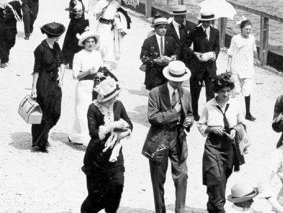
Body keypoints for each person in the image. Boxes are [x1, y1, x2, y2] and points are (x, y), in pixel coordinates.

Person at [143, 60, 193, 213]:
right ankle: (160, 210)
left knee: (182, 175)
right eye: (176, 80)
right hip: (159, 138)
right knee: (158, 178)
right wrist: (174, 112)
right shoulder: (155, 93)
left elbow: (189, 113)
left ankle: (180, 210)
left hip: (178, 138)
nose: (179, 83)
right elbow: (153, 117)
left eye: (181, 80)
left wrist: (188, 121)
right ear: (169, 78)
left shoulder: (186, 93)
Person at [81, 77, 133, 213]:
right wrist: (112, 126)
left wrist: (123, 133)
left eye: (116, 96)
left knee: (117, 188)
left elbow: (129, 124)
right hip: (96, 158)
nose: (115, 100)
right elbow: (93, 133)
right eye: (112, 98)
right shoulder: (93, 108)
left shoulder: (119, 105)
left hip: (115, 156)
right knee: (96, 197)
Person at [198, 73, 246, 213]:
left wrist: (235, 130)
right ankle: (219, 208)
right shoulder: (209, 106)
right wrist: (211, 129)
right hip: (213, 146)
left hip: (230, 147)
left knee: (222, 179)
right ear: (216, 92)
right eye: (222, 91)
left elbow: (242, 123)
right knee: (216, 177)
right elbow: (200, 125)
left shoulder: (235, 104)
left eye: (228, 91)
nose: (225, 94)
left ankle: (212, 205)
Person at [30, 22, 65, 152]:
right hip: (44, 82)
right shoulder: (40, 49)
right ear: (55, 35)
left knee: (55, 111)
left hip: (54, 81)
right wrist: (33, 88)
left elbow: (61, 61)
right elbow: (36, 70)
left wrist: (61, 76)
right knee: (44, 112)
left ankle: (43, 135)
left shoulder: (56, 45)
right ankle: (40, 142)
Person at [182, 11, 220, 115]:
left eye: (208, 22)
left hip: (210, 67)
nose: (206, 24)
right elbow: (185, 46)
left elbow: (217, 46)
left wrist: (215, 55)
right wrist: (195, 53)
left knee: (210, 92)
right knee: (195, 92)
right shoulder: (195, 31)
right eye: (204, 21)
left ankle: (209, 114)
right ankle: (194, 113)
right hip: (197, 66)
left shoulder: (215, 32)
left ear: (211, 21)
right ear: (201, 21)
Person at [69, 30, 103, 145]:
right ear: (83, 43)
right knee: (83, 112)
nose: (90, 44)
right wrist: (88, 71)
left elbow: (101, 69)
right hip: (83, 86)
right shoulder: (78, 55)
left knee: (95, 111)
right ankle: (86, 139)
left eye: (92, 41)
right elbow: (75, 75)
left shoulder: (97, 54)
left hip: (96, 86)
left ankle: (75, 134)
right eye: (87, 42)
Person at [227, 19, 259, 121]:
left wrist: (257, 59)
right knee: (235, 91)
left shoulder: (252, 38)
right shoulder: (235, 39)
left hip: (247, 68)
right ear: (241, 29)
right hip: (236, 67)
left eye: (250, 29)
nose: (248, 31)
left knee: (247, 91)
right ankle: (230, 112)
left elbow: (254, 50)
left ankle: (248, 113)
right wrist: (228, 67)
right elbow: (230, 53)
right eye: (246, 29)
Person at [141, 17, 179, 91]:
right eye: (160, 27)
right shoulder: (148, 41)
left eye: (165, 27)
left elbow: (176, 51)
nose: (163, 29)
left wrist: (174, 56)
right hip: (153, 73)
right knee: (155, 96)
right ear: (155, 29)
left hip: (167, 73)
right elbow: (143, 57)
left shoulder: (171, 40)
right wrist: (155, 60)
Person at [94, 0, 121, 68]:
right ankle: (98, 60)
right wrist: (101, 12)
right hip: (102, 25)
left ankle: (106, 62)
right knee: (101, 43)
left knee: (109, 44)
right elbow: (96, 16)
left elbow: (119, 15)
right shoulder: (100, 2)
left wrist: (117, 16)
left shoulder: (115, 4)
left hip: (110, 26)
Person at [61, 0, 90, 68]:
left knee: (83, 40)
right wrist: (74, 11)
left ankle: (81, 62)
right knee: (72, 41)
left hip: (83, 21)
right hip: (74, 22)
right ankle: (71, 61)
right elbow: (67, 7)